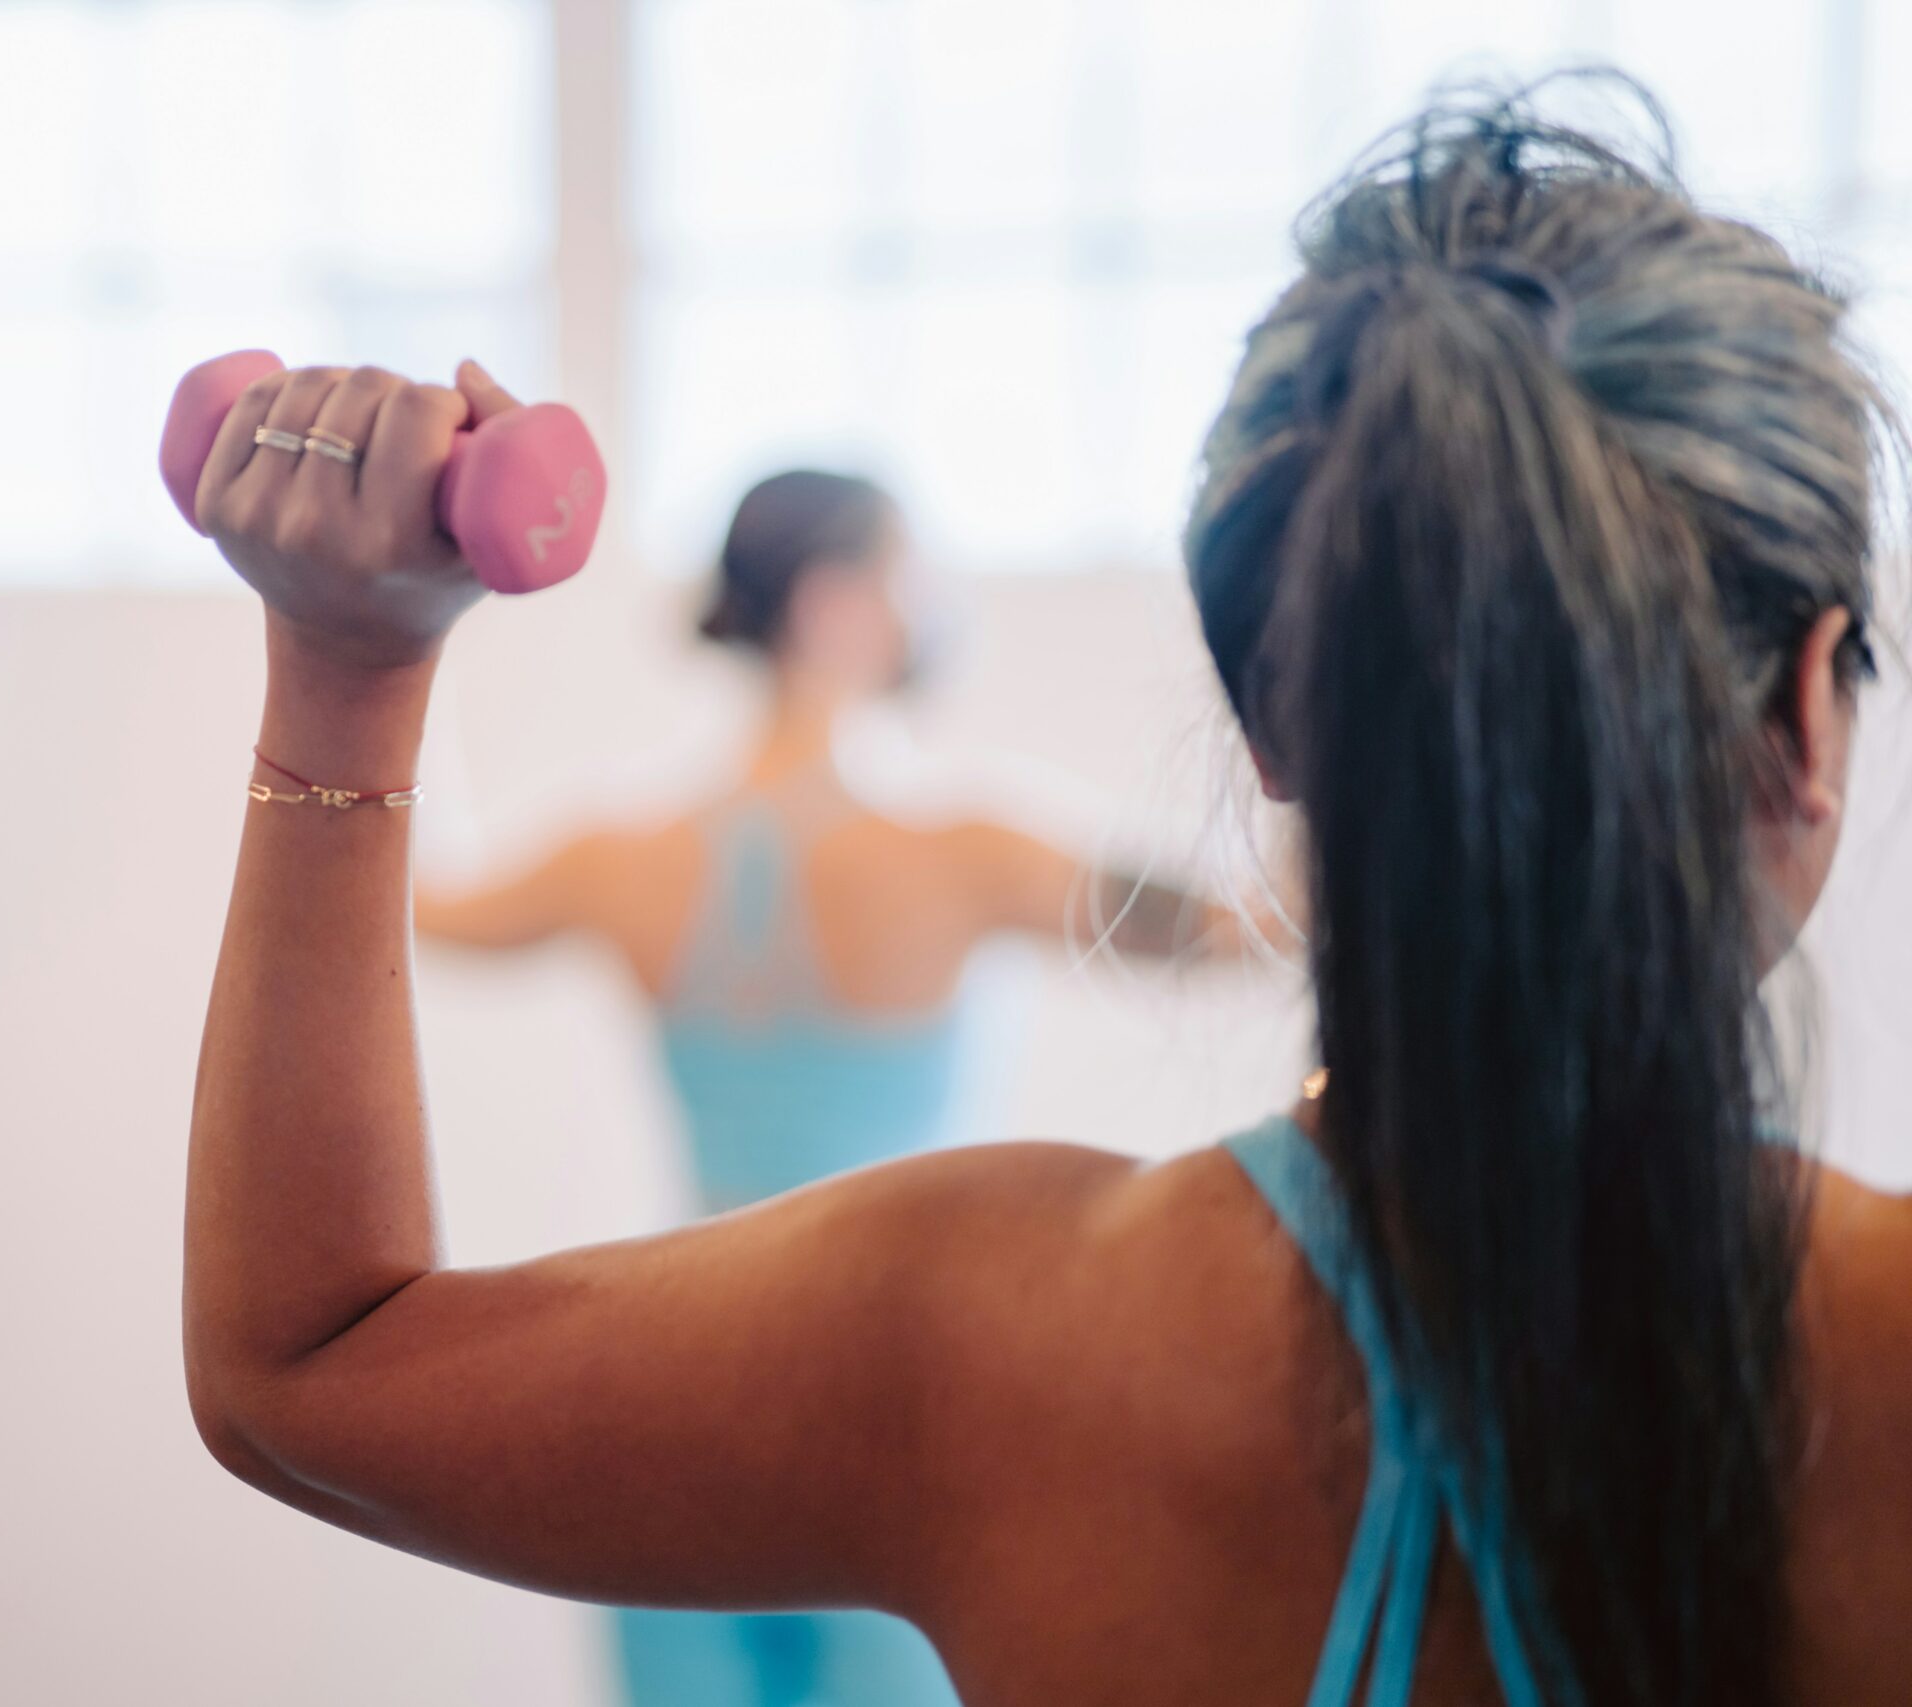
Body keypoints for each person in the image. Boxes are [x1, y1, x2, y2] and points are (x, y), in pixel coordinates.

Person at [178, 86, 1911, 1707]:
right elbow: (1230, 926)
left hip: (743, 1430)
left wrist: (355, 658)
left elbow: (309, 1359)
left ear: (1273, 716)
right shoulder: (975, 857)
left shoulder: (964, 1341)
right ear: (1808, 702)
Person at [414, 470, 1245, 1707]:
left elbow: (427, 901)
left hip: (671, 1389)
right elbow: (1248, 928)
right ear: (836, 602)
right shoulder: (962, 853)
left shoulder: (618, 857)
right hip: (894, 1410)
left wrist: (398, 632)